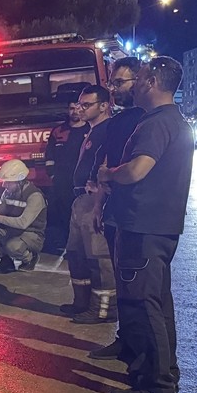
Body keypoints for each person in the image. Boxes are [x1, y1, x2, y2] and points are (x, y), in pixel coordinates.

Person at [97, 56, 192, 393]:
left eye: (139, 79)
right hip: (160, 228)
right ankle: (164, 373)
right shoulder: (174, 120)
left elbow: (137, 170)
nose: (134, 84)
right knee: (158, 304)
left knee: (143, 306)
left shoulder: (154, 124)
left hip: (143, 228)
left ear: (151, 82)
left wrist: (109, 174)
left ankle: (155, 386)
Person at [86, 58, 145, 360]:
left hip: (138, 216)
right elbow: (104, 167)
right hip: (114, 212)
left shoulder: (148, 120)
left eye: (118, 83)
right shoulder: (117, 123)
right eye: (111, 83)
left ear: (140, 80)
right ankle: (126, 339)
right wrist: (98, 206)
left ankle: (140, 350)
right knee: (123, 280)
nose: (112, 89)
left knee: (139, 287)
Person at [61, 86, 116, 323]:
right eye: (79, 104)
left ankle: (103, 310)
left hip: (93, 201)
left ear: (103, 105)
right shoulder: (91, 131)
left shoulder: (108, 130)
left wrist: (99, 193)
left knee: (98, 257)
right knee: (76, 254)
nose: (80, 109)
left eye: (86, 105)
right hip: (79, 200)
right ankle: (81, 303)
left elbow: (107, 163)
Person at [43, 105, 88, 252]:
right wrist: (52, 175)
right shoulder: (58, 131)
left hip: (83, 181)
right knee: (63, 212)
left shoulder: (90, 129)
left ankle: (82, 244)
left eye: (78, 108)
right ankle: (67, 244)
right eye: (71, 108)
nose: (75, 111)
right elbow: (49, 155)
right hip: (62, 181)